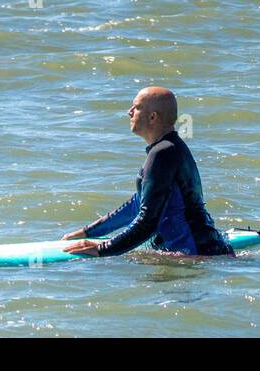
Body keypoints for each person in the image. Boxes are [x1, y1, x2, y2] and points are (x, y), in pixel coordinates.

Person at [62, 87, 235, 258]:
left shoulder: (163, 153)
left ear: (153, 117)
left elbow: (148, 222)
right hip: (204, 248)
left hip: (195, 255)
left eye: (136, 107)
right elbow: (137, 205)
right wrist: (88, 232)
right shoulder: (170, 148)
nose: (129, 112)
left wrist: (103, 249)